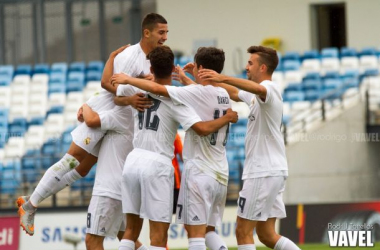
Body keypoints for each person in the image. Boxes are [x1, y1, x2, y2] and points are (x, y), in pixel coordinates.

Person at [17, 12, 168, 236]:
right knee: (72, 159)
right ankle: (30, 206)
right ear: (147, 33)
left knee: (84, 169)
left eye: (166, 32)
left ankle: (31, 199)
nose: (165, 37)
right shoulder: (130, 55)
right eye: (161, 32)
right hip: (102, 111)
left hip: (117, 118)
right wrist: (91, 104)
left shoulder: (151, 60)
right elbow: (108, 85)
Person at [111, 45, 238, 250]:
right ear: (172, 69)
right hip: (161, 165)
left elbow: (115, 95)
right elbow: (200, 127)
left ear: (150, 69)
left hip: (133, 162)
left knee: (130, 233)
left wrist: (127, 88)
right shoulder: (183, 99)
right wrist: (227, 118)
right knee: (159, 237)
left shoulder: (138, 92)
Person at [197, 46, 300, 250]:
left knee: (243, 231)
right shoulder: (255, 97)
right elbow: (235, 93)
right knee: (266, 234)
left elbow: (259, 90)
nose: (246, 66)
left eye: (250, 63)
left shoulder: (270, 88)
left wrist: (222, 77)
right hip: (273, 171)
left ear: (263, 67)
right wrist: (202, 80)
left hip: (262, 171)